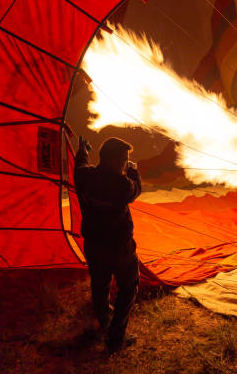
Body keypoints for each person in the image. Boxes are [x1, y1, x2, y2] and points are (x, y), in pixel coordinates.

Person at [74, 135, 142, 354]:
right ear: (113, 160)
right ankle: (115, 338)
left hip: (94, 245)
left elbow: (81, 163)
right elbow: (136, 190)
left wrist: (82, 150)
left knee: (100, 284)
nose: (124, 163)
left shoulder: (83, 176)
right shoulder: (121, 184)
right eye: (123, 160)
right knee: (128, 287)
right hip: (119, 247)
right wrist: (133, 171)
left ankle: (103, 321)